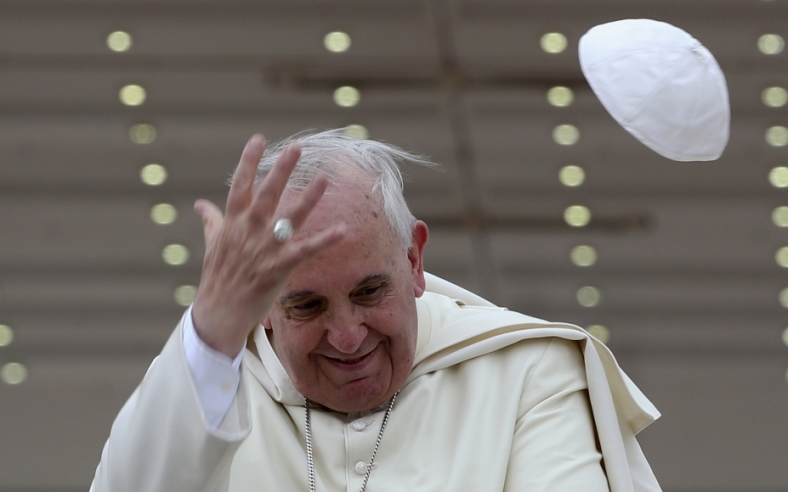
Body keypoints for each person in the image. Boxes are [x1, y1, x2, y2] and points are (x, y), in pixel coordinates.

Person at [90, 129, 662, 492]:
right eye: (307, 305)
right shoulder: (208, 393)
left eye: (369, 292)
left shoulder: (530, 374)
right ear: (263, 305)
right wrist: (212, 334)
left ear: (414, 259)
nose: (345, 335)